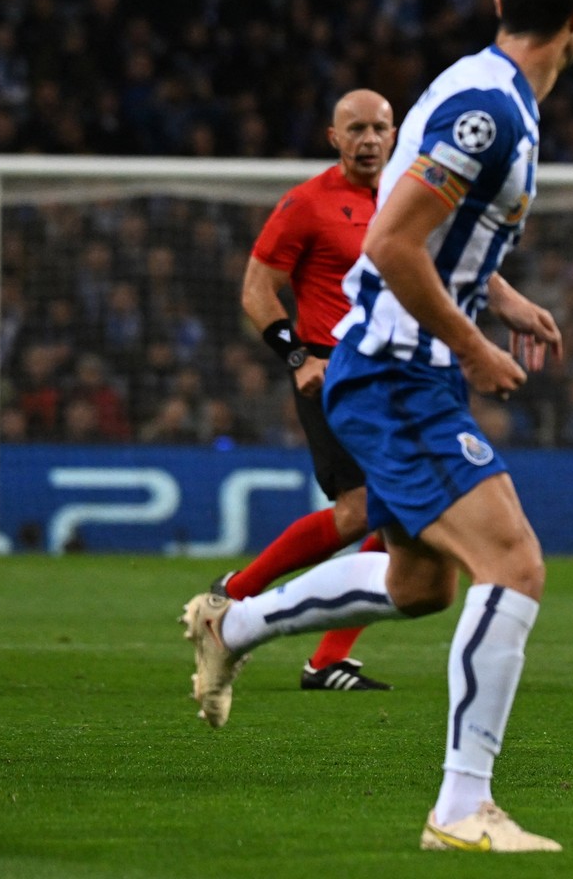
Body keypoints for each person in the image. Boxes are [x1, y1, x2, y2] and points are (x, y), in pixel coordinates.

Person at [181, 0, 573, 853]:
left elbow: (435, 235)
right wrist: (477, 346)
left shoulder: (471, 88)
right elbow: (391, 245)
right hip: (401, 372)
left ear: (499, 5)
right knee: (514, 565)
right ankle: (461, 808)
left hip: (403, 366)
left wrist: (505, 302)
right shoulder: (489, 111)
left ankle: (233, 624)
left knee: (420, 585)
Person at [219, 88, 396, 692]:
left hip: (393, 377)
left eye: (379, 129)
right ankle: (238, 602)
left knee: (398, 517)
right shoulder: (308, 204)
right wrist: (296, 356)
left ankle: (307, 650)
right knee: (367, 512)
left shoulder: (406, 198)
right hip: (333, 376)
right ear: (334, 138)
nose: (369, 140)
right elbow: (256, 290)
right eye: (356, 130)